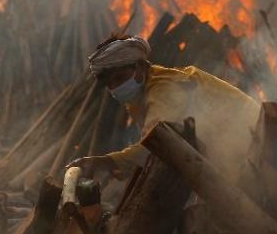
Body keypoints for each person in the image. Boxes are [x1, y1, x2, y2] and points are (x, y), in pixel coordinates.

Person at [68, 34, 260, 182]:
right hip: (233, 158)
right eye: (109, 84)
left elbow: (158, 144)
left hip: (256, 149)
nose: (115, 87)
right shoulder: (139, 98)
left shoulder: (165, 86)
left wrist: (107, 162)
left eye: (119, 78)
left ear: (141, 67)